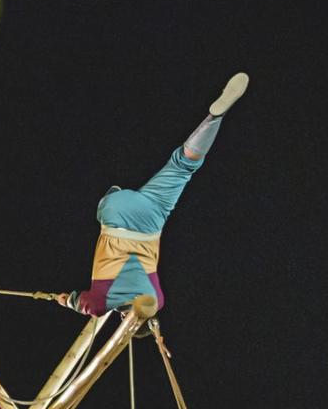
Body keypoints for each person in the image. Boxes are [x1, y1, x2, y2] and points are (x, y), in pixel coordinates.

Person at [58, 73, 250, 317]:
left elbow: (148, 307)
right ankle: (113, 194)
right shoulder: (101, 303)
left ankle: (215, 117)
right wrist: (66, 301)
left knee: (183, 166)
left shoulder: (156, 299)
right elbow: (80, 303)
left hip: (151, 218)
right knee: (108, 205)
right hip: (115, 214)